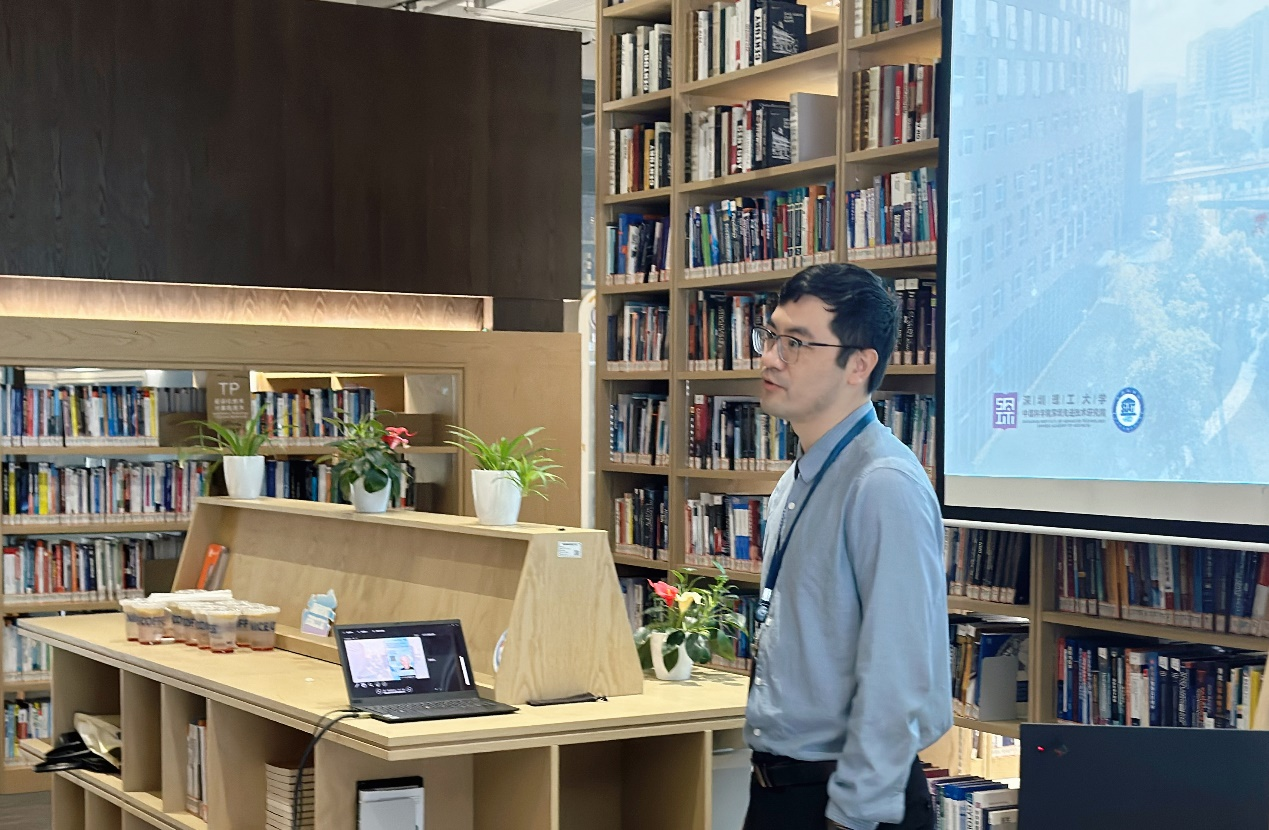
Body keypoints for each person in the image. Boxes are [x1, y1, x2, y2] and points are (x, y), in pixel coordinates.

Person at [743, 264, 951, 830]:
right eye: (771, 336)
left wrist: (853, 816)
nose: (770, 358)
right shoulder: (798, 479)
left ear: (859, 364)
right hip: (781, 788)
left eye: (795, 343)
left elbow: (897, 675)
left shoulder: (881, 483)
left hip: (849, 803)